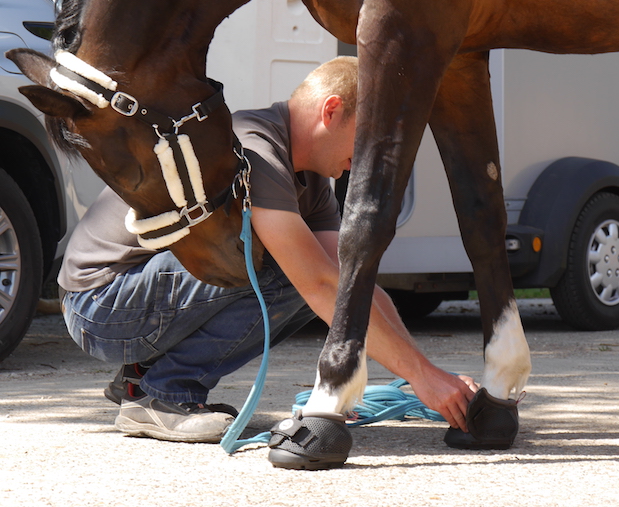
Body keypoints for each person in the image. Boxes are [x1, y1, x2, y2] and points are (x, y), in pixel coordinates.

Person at [59, 55, 477, 443]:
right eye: (369, 139)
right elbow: (319, 282)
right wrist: (423, 377)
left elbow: (351, 285)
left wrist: (433, 377)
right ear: (331, 112)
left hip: (129, 298)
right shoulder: (251, 149)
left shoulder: (311, 181)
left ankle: (142, 376)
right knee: (296, 268)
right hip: (100, 304)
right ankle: (163, 395)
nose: (371, 159)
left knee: (315, 273)